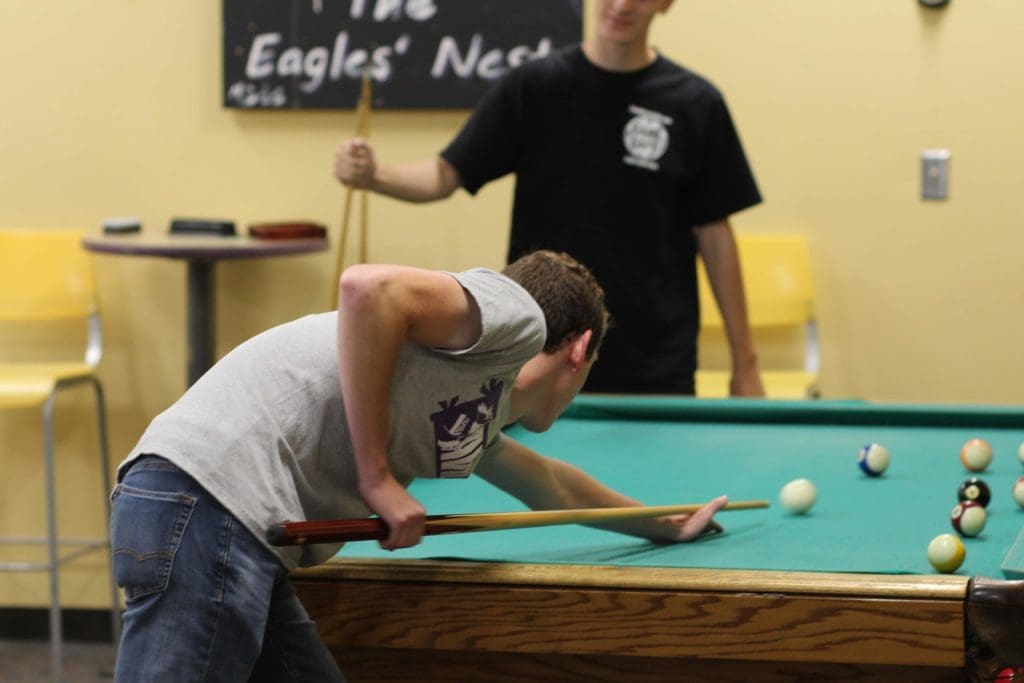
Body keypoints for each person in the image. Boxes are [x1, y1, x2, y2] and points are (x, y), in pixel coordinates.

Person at [108, 250, 728, 682]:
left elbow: (550, 483)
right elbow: (367, 288)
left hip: (228, 528)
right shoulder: (518, 320)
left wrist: (662, 524)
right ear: (581, 349)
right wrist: (376, 477)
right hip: (206, 502)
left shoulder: (471, 406)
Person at [334, 0, 765, 397]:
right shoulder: (535, 86)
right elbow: (445, 175)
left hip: (656, 360)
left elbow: (715, 236)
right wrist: (375, 175)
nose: (621, 5)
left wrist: (745, 364)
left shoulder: (695, 102)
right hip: (538, 346)